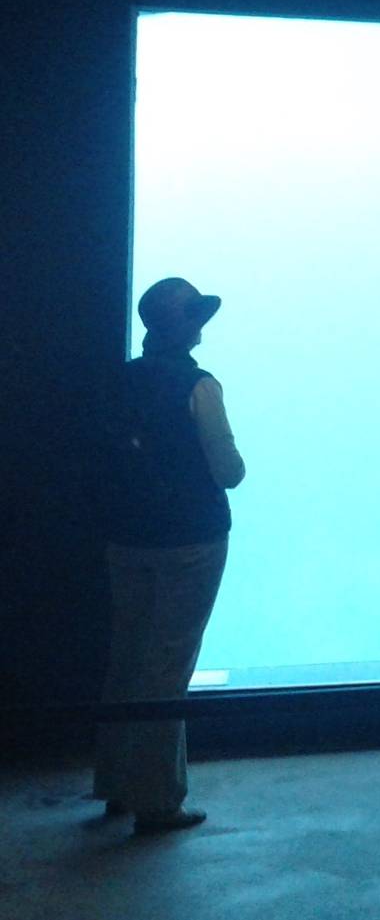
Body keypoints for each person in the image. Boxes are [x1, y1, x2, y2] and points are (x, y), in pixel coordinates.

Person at [94, 277, 246, 834]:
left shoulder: (119, 378)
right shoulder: (199, 385)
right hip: (191, 539)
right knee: (168, 664)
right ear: (177, 326)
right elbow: (227, 470)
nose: (201, 324)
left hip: (126, 537)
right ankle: (157, 800)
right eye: (195, 315)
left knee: (127, 655)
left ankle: (114, 783)